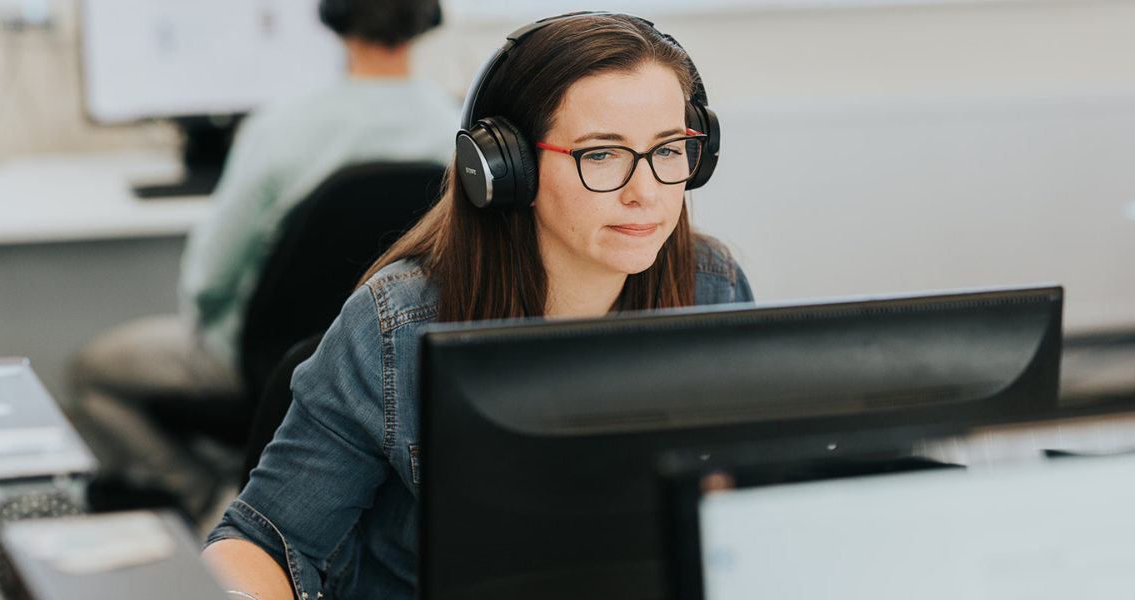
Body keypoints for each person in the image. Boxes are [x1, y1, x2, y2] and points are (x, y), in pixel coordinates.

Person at [200, 12, 753, 600]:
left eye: (669, 149)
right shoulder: (395, 326)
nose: (644, 191)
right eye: (601, 156)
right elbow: (262, 541)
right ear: (506, 168)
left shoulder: (711, 287)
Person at [71, 0, 458, 521]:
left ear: (334, 15)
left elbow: (210, 281)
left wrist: (211, 332)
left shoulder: (280, 126)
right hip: (393, 364)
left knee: (92, 373)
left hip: (267, 361)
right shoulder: (456, 128)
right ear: (427, 17)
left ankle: (203, 492)